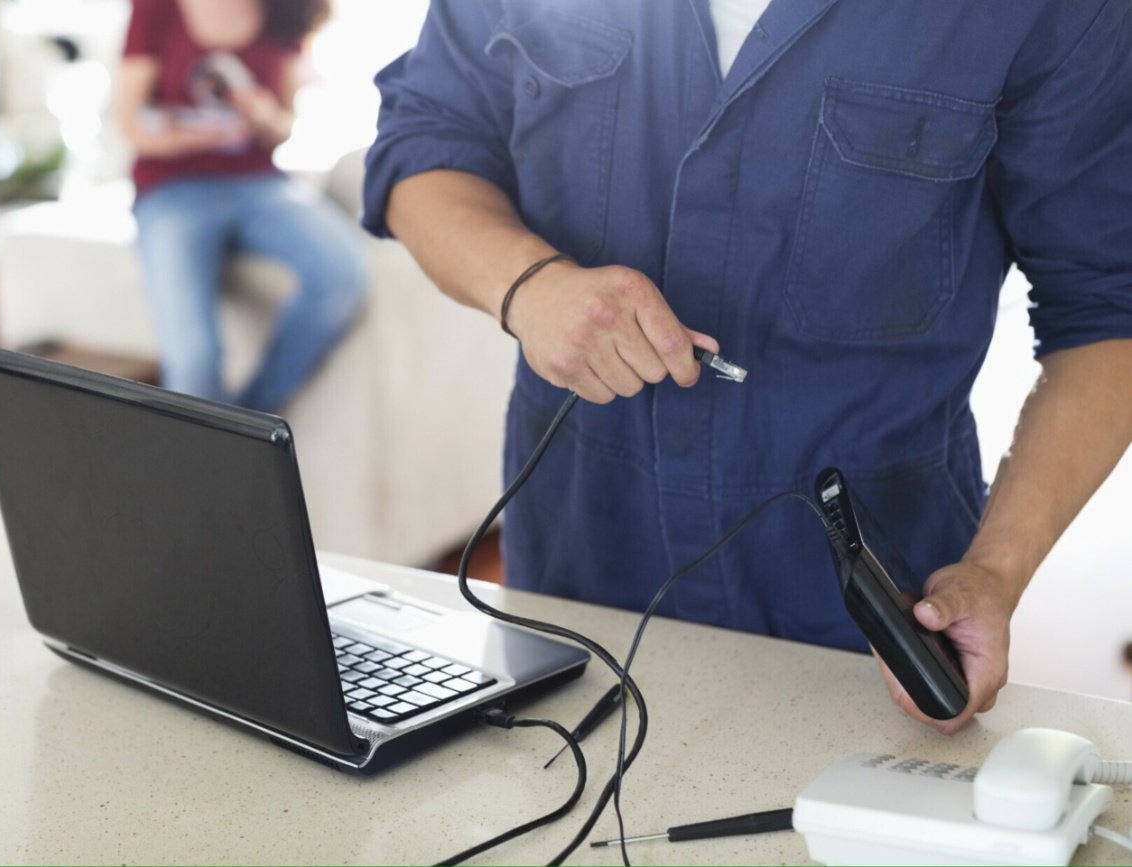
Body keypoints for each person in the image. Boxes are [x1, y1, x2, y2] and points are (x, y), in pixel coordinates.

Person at [361, 1, 1132, 734]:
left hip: (867, 621)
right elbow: (424, 139)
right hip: (576, 573)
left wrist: (994, 573)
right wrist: (527, 287)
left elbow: (1109, 313)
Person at [118, 0, 366, 412]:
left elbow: (284, 127)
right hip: (171, 189)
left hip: (260, 184)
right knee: (194, 361)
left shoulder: (286, 12)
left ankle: (247, 426)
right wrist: (200, 136)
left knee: (344, 274)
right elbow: (130, 121)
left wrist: (262, 115)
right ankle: (222, 451)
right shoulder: (155, 9)